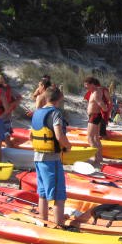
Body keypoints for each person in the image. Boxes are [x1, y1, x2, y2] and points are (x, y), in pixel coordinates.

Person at [30, 86, 71, 226]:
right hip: (51, 159)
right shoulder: (55, 113)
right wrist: (67, 146)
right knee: (58, 194)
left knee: (42, 193)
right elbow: (59, 135)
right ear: (59, 98)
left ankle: (43, 221)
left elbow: (31, 135)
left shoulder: (37, 112)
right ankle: (59, 225)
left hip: (37, 157)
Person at [0, 74, 22, 147]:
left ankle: (8, 149)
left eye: (2, 80)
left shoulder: (8, 89)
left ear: (4, 81)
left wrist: (12, 104)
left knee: (7, 136)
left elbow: (19, 97)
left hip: (6, 116)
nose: (0, 82)